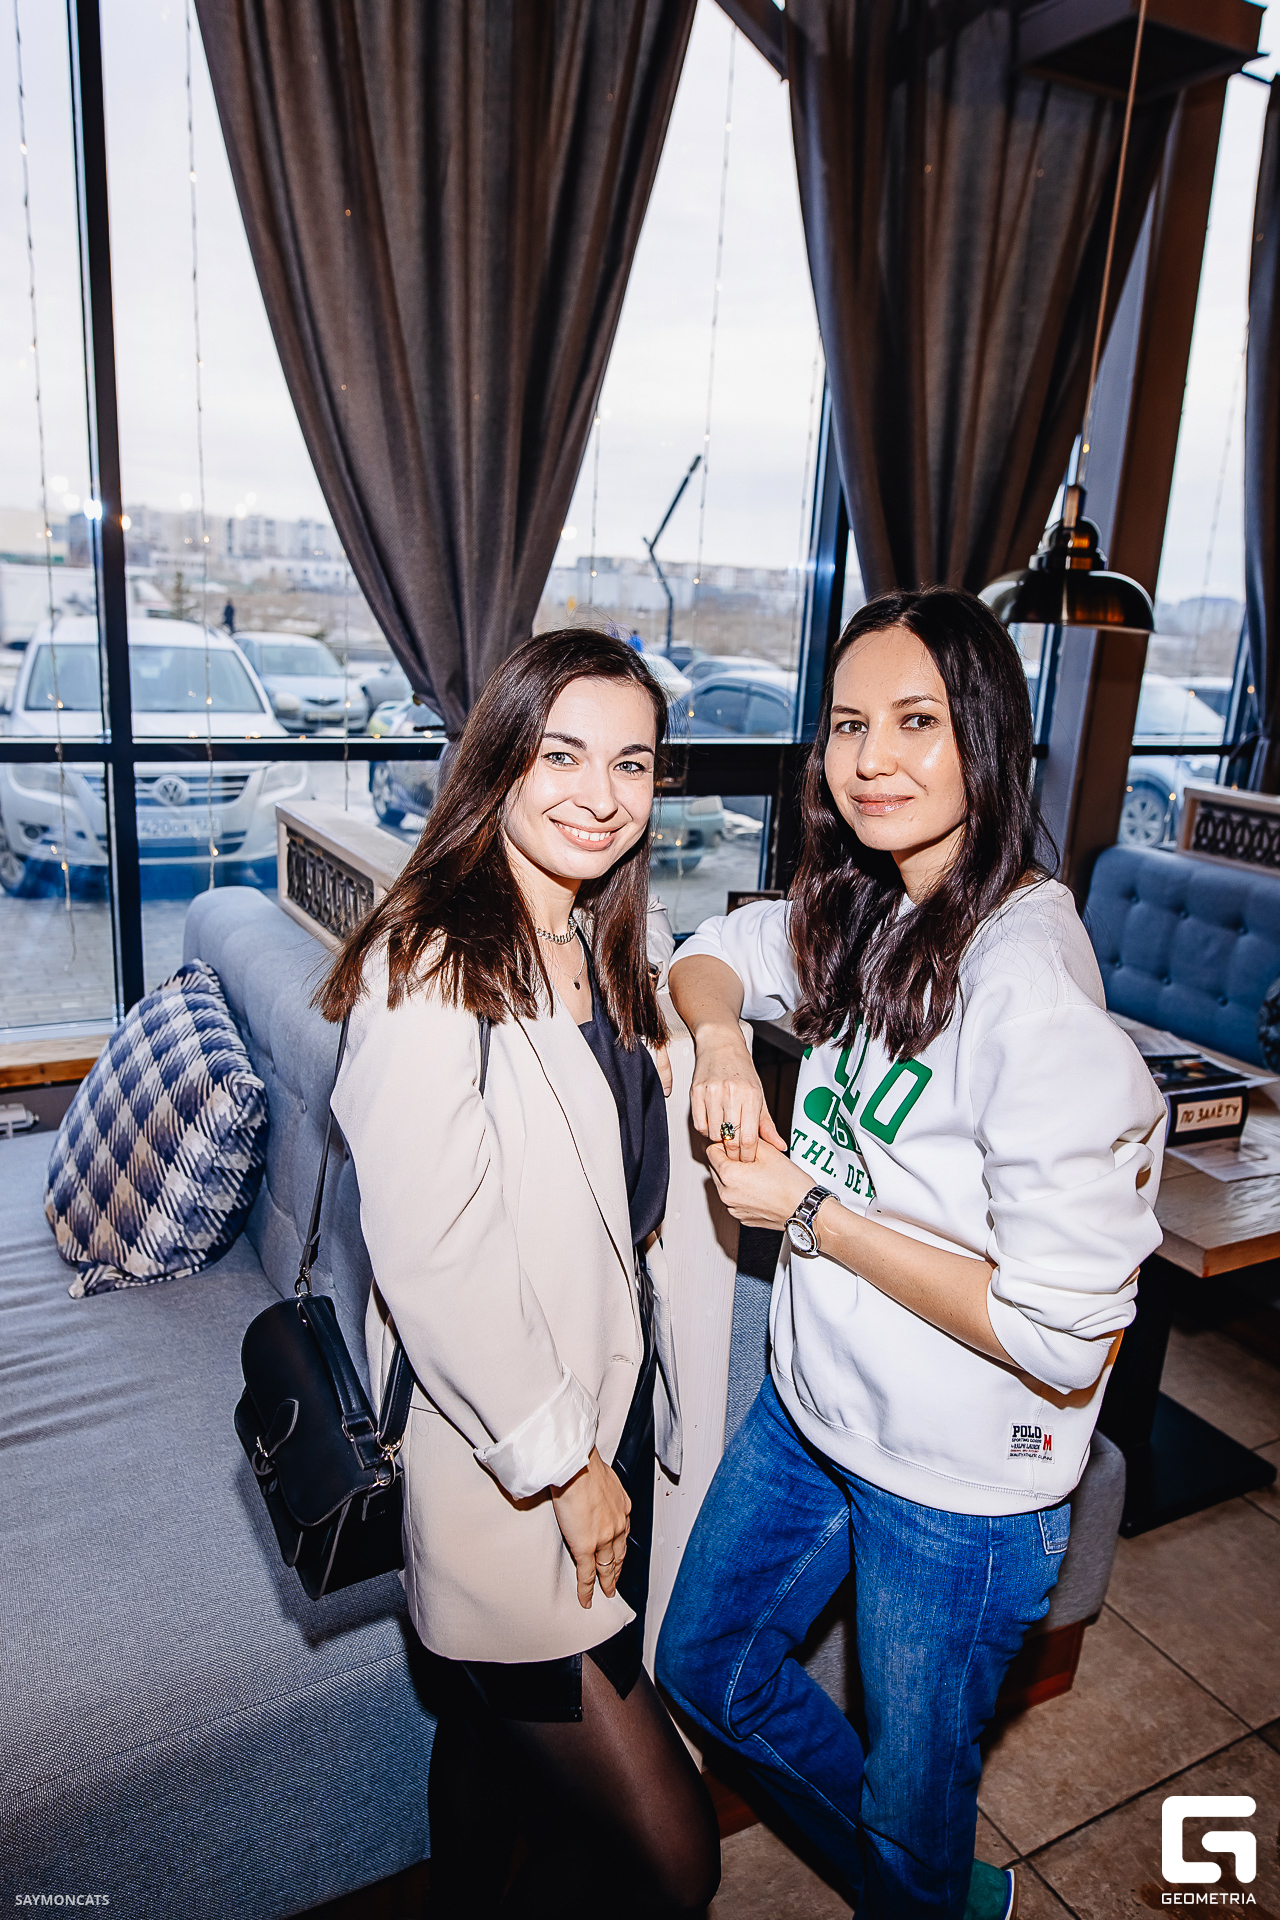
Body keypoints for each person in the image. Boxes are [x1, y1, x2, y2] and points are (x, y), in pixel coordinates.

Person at [656, 588, 1165, 1920]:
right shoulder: (875, 901)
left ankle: (926, 1889)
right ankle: (932, 1891)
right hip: (816, 1410)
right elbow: (704, 953)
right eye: (846, 725)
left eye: (915, 721)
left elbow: (1064, 1332)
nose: (871, 758)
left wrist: (811, 1215)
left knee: (910, 1808)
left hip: (958, 1489)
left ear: (983, 737)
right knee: (704, 1664)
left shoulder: (1027, 983)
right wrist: (723, 1046)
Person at [317, 628, 719, 1918]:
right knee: (671, 1855)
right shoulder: (431, 959)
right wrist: (566, 1464)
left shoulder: (590, 941)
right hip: (512, 1455)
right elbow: (434, 1255)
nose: (600, 795)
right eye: (562, 755)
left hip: (605, 1415)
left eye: (632, 764)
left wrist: (715, 1049)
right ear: (500, 757)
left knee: (493, 1753)